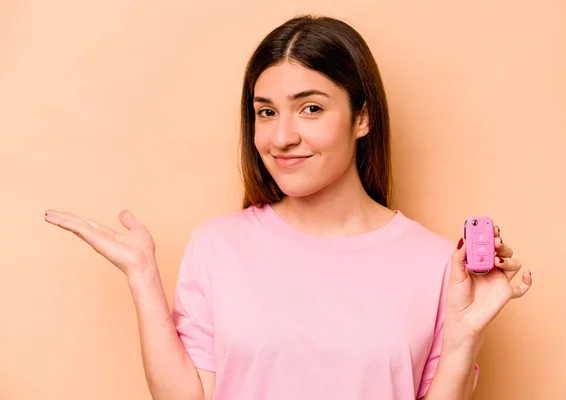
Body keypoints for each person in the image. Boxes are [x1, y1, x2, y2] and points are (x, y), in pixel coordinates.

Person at [44, 14, 532, 400]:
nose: (281, 137)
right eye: (266, 112)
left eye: (311, 108)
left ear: (362, 117)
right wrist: (143, 276)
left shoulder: (437, 263)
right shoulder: (218, 246)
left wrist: (465, 336)